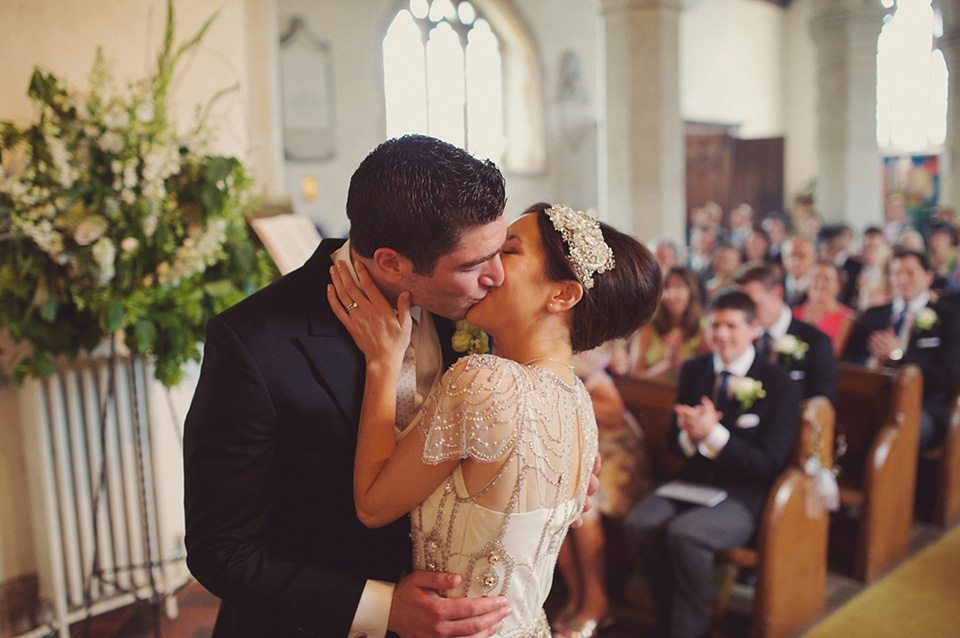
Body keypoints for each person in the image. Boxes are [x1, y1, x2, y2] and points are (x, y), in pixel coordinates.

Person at [183, 135, 516, 638]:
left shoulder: (480, 310)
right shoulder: (254, 343)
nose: (499, 276)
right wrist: (385, 609)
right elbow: (222, 551)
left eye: (502, 250)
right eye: (472, 265)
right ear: (390, 262)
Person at [328, 203, 663, 637]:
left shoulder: (485, 380)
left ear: (562, 295)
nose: (488, 268)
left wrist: (382, 361)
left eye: (509, 251)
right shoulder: (579, 404)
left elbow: (373, 504)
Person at [623, 290, 802, 638]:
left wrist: (714, 435)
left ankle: (691, 629)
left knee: (687, 533)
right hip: (691, 483)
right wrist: (691, 435)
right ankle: (670, 615)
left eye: (731, 326)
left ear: (754, 329)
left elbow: (768, 465)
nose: (720, 335)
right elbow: (675, 444)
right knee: (639, 523)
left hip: (742, 496)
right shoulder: (694, 370)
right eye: (715, 325)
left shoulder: (779, 384)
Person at [842, 249, 960, 450]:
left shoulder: (948, 319)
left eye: (910, 272)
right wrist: (870, 363)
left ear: (928, 277)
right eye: (896, 273)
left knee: (899, 427)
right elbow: (846, 362)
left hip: (924, 406)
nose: (902, 279)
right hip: (872, 398)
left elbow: (947, 379)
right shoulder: (872, 315)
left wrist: (899, 356)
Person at [734, 262, 838, 402]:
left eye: (753, 304)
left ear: (777, 293)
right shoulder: (739, 338)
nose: (747, 313)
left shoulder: (816, 341)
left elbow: (821, 402)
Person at [629, 266, 708, 381]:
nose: (671, 294)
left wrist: (678, 363)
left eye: (679, 287)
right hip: (649, 394)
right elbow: (634, 377)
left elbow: (704, 382)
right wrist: (666, 364)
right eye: (666, 287)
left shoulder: (703, 328)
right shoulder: (648, 326)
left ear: (690, 291)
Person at [792, 261, 857, 357]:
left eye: (826, 279)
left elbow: (833, 356)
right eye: (815, 278)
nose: (819, 284)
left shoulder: (848, 318)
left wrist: (812, 326)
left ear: (838, 285)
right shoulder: (794, 312)